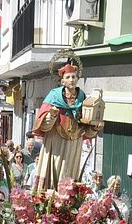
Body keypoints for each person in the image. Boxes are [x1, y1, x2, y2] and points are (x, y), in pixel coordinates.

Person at [31, 63, 102, 191]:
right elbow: (43, 126)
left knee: (70, 174)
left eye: (74, 77)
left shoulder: (82, 98)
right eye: (68, 77)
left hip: (74, 142)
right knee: (55, 171)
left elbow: (85, 127)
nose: (72, 80)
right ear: (62, 81)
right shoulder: (54, 96)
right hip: (56, 140)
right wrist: (51, 116)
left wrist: (94, 127)